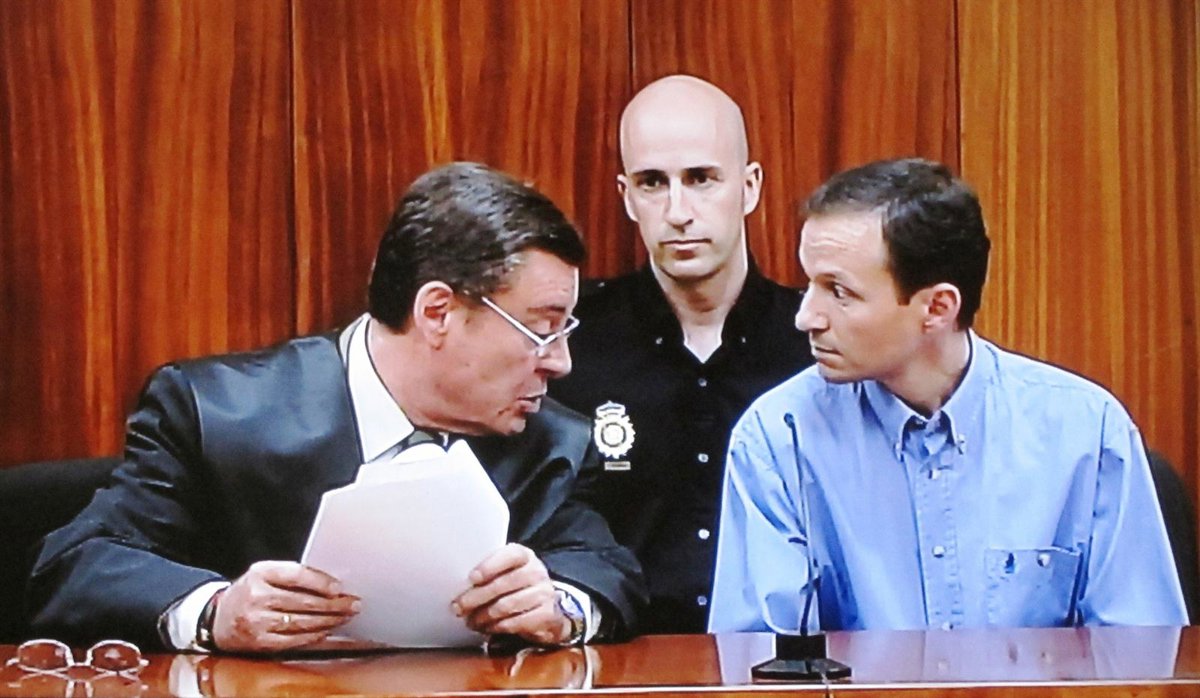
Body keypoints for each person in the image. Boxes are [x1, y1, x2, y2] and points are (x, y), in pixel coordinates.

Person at [28, 162, 647, 653]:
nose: (561, 363)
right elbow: (78, 564)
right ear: (437, 312)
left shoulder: (551, 441)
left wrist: (561, 605)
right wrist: (216, 612)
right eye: (542, 330)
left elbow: (606, 568)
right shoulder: (215, 414)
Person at [708, 157, 1187, 632]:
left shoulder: (1085, 431)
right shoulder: (778, 437)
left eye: (839, 291)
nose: (805, 317)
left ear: (937, 308)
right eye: (809, 284)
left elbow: (1140, 656)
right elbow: (757, 660)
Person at [549, 75, 812, 633]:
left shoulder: (815, 344)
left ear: (750, 187)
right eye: (652, 183)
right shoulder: (566, 349)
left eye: (701, 179)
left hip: (780, 666)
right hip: (612, 663)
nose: (677, 211)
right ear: (627, 196)